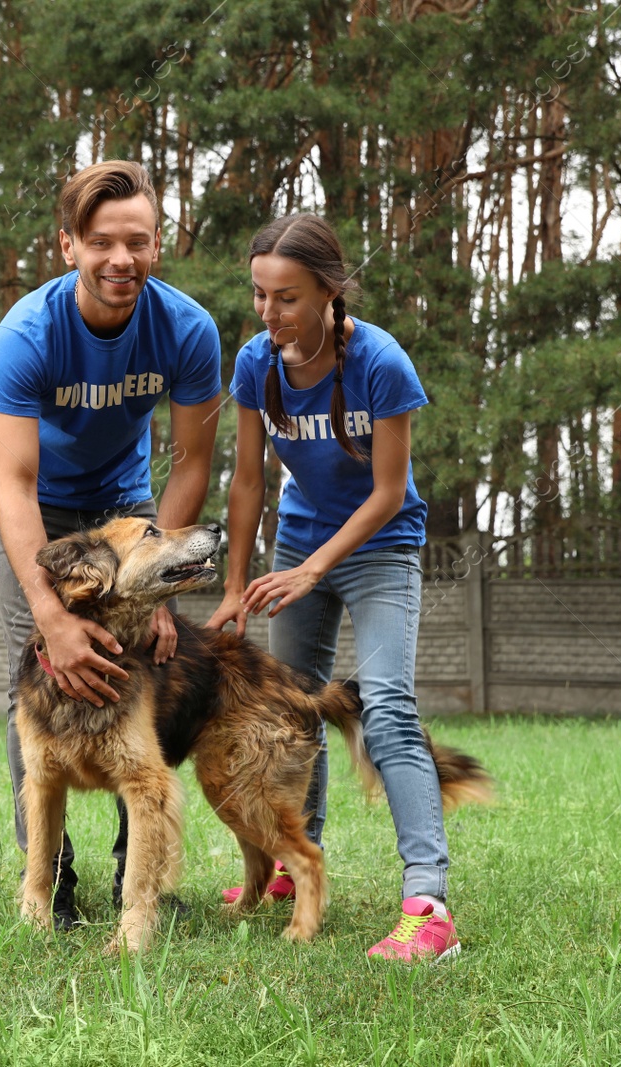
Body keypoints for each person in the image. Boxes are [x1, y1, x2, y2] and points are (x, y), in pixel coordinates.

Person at [204, 213, 460, 962]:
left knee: (386, 705)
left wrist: (315, 568)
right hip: (297, 546)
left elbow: (388, 491)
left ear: (328, 291)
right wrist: (236, 582)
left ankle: (428, 904)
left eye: (286, 297)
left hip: (381, 549)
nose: (269, 313)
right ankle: (296, 864)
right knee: (291, 707)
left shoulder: (380, 362)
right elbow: (248, 479)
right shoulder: (257, 363)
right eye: (259, 295)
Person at [0, 160, 223, 930]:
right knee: (42, 675)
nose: (121, 259)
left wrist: (161, 594)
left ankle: (138, 880)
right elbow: (14, 488)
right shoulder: (27, 333)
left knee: (144, 665)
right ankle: (47, 885)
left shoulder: (187, 329)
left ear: (159, 245)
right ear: (68, 245)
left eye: (138, 242)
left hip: (125, 505)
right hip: (35, 507)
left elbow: (191, 461)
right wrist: (51, 617)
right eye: (101, 242)